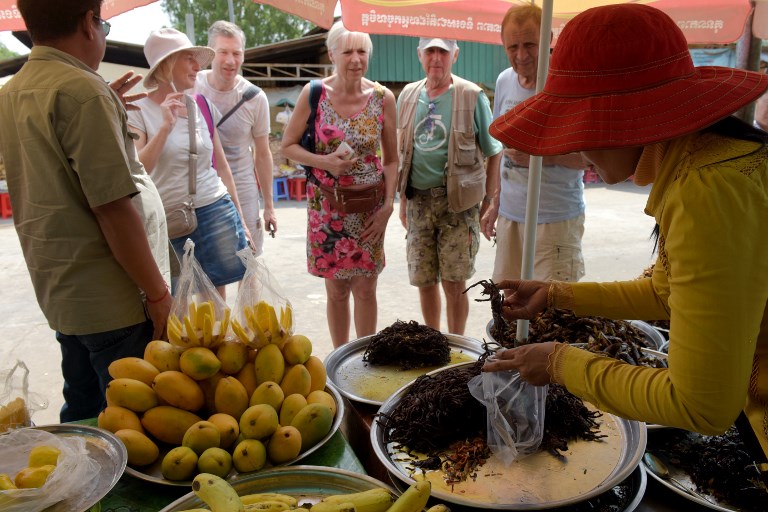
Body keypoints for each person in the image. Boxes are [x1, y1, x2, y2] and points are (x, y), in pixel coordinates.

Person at [484, 4, 768, 459]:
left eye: (578, 126)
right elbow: (664, 294)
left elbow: (703, 405)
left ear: (624, 117)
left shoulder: (708, 189)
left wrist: (560, 362)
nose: (574, 146)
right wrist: (555, 294)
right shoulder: (705, 161)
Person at [0, 0, 173, 422]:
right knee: (132, 425)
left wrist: (99, 107)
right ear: (87, 23)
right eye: (104, 25)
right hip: (114, 299)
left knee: (82, 411)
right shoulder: (82, 93)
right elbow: (114, 210)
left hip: (64, 292)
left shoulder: (14, 91)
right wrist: (159, 295)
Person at [281, 22, 398, 347]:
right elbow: (287, 145)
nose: (356, 59)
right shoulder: (314, 93)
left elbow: (391, 159)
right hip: (327, 208)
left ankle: (365, 363)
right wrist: (326, 162)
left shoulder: (382, 98)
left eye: (362, 51)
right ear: (333, 53)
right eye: (348, 51)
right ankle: (338, 360)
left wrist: (389, 206)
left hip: (370, 209)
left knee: (365, 289)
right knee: (336, 290)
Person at [128, 28, 249, 299]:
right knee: (175, 304)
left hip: (214, 208)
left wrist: (242, 220)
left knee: (216, 301)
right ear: (166, 64)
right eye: (189, 59)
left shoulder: (202, 105)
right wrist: (165, 128)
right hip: (168, 219)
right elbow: (138, 172)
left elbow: (221, 167)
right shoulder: (138, 111)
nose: (197, 67)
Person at [397, 38, 502, 335]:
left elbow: (494, 150)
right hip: (418, 202)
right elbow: (405, 153)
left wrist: (489, 202)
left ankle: (455, 345)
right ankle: (434, 341)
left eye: (442, 50)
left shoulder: (471, 95)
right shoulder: (407, 95)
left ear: (455, 54)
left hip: (458, 205)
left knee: (455, 282)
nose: (436, 57)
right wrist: (403, 203)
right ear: (419, 54)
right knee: (424, 280)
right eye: (429, 50)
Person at [482, 5, 587, 283]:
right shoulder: (504, 81)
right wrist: (496, 202)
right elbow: (505, 151)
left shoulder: (569, 83)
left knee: (551, 312)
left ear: (549, 38)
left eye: (530, 44)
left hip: (555, 220)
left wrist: (543, 157)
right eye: (512, 46)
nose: (521, 55)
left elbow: (591, 158)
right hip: (510, 217)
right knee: (509, 303)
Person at [195, 20, 277, 253]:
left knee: (249, 256)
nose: (230, 61)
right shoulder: (193, 85)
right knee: (209, 259)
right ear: (211, 53)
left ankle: (249, 293)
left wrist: (269, 206)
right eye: (223, 52)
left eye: (236, 53)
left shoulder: (255, 97)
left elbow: (262, 153)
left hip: (243, 185)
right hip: (202, 183)